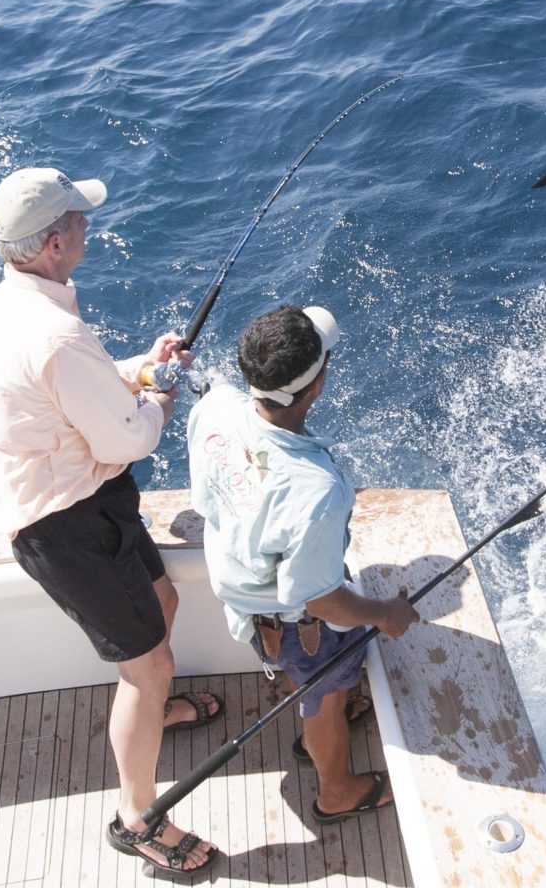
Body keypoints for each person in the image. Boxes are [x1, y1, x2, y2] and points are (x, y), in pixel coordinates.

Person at [0, 167, 222, 881]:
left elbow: (73, 388)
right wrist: (161, 401)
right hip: (65, 525)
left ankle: (154, 717)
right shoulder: (52, 332)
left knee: (164, 600)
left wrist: (143, 370)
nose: (88, 225)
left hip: (89, 500)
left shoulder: (11, 303)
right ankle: (138, 817)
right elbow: (129, 442)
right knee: (147, 670)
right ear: (55, 243)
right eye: (78, 220)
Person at [187, 304, 420, 825]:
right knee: (325, 693)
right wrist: (386, 614)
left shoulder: (217, 405)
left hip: (245, 601)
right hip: (294, 626)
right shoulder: (315, 491)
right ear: (315, 389)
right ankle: (336, 789)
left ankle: (326, 708)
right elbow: (318, 598)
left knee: (317, 683)